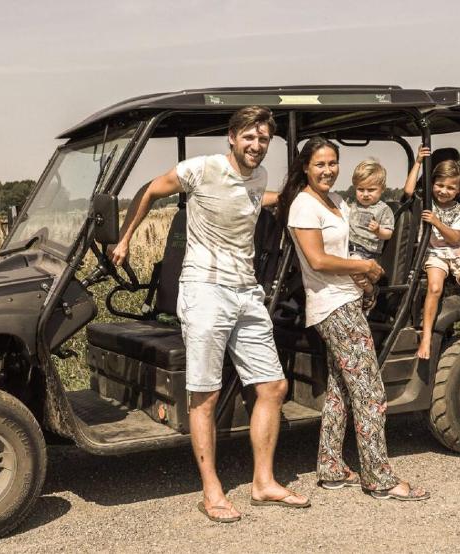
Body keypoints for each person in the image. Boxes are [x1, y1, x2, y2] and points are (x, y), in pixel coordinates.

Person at [110, 106, 310, 523]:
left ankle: (263, 482)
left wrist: (293, 196)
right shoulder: (201, 169)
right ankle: (211, 490)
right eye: (249, 137)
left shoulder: (260, 177)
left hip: (246, 292)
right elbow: (150, 189)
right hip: (205, 289)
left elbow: (252, 199)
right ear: (232, 137)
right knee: (205, 394)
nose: (256, 145)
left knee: (272, 386)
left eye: (263, 139)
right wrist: (125, 238)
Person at [279, 137, 428, 501]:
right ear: (305, 167)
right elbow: (318, 260)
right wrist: (365, 267)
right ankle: (379, 477)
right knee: (370, 391)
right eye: (320, 164)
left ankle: (331, 467)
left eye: (333, 163)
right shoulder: (303, 206)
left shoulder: (336, 200)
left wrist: (362, 278)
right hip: (334, 306)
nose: (328, 170)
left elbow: (345, 249)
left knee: (341, 389)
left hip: (348, 297)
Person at [402, 147, 460, 360]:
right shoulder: (426, 201)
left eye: (450, 187)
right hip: (434, 252)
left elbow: (455, 239)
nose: (443, 191)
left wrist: (436, 222)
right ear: (432, 184)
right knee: (435, 287)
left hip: (456, 251)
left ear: (458, 190)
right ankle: (426, 336)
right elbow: (409, 190)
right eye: (439, 185)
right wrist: (418, 162)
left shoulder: (459, 210)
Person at [347, 160, 394, 303]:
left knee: (353, 266)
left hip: (367, 251)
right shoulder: (353, 205)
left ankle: (370, 292)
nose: (365, 194)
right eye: (361, 190)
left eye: (371, 190)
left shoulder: (383, 209)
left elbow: (388, 233)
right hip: (348, 246)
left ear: (382, 189)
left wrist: (378, 230)